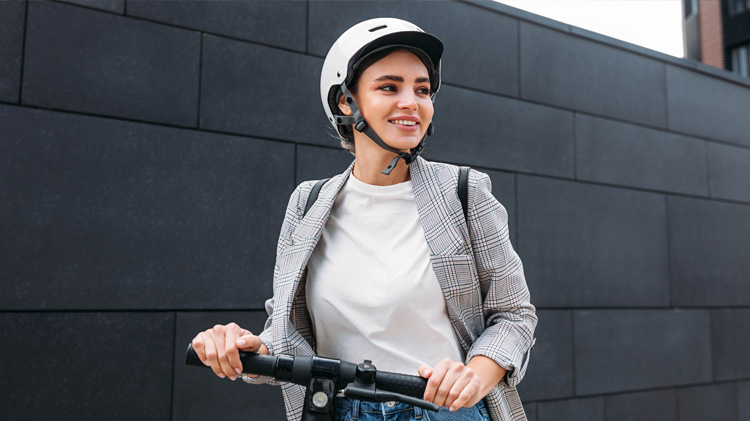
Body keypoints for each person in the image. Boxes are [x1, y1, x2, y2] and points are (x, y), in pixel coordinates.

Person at [191, 18, 537, 421]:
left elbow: (514, 315)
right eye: (389, 87)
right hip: (335, 410)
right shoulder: (308, 202)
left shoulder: (464, 192)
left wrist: (472, 377)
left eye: (422, 89)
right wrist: (244, 346)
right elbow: (287, 332)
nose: (412, 101)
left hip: (441, 411)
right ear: (345, 101)